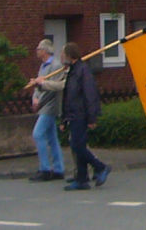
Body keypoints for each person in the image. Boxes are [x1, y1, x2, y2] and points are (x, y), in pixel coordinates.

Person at [57, 42, 108, 190]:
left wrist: (92, 118)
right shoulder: (72, 71)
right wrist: (64, 118)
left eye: (63, 54)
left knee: (77, 146)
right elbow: (68, 97)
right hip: (73, 114)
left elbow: (90, 94)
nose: (61, 57)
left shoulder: (82, 71)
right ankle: (82, 178)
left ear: (69, 55)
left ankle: (100, 167)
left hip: (81, 114)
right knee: (77, 145)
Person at [23, 39, 65, 181]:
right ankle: (58, 169)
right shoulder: (43, 66)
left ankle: (45, 169)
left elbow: (53, 87)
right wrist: (35, 98)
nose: (37, 51)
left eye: (39, 49)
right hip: (43, 104)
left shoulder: (56, 65)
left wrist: (40, 101)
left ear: (45, 51)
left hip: (50, 105)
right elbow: (38, 84)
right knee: (52, 137)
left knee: (38, 134)